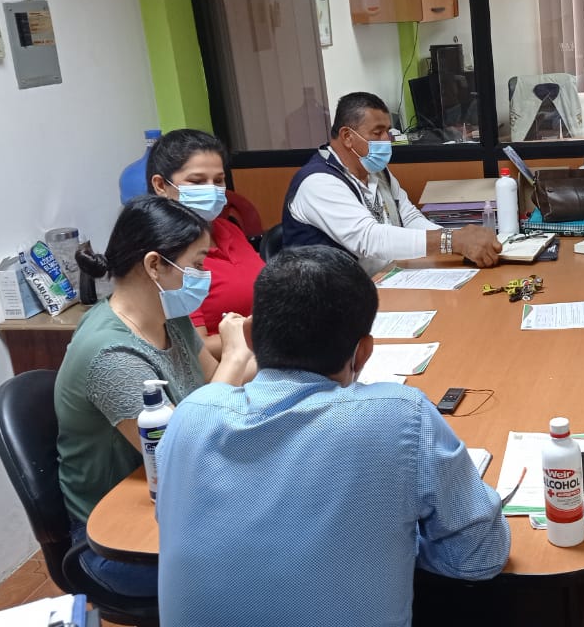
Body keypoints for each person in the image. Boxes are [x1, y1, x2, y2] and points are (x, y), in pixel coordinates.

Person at [156, 245, 510, 626]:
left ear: (249, 337)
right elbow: (482, 554)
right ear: (363, 353)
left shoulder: (188, 417)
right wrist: (393, 539)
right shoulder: (401, 417)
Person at [54, 195, 255, 596]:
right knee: (267, 561)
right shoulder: (111, 355)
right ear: (154, 265)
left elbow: (217, 382)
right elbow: (183, 453)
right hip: (118, 539)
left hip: (180, 498)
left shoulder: (168, 316)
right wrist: (234, 355)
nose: (204, 276)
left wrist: (279, 348)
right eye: (197, 264)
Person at [282, 91, 501, 274]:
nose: (386, 140)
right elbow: (370, 239)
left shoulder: (376, 171)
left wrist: (460, 243)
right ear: (347, 136)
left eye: (387, 131)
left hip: (386, 282)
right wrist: (451, 240)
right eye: (377, 132)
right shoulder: (318, 183)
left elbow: (409, 217)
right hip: (327, 300)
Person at [146, 128, 265, 358]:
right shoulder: (168, 256)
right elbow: (196, 347)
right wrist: (271, 333)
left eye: (218, 181)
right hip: (226, 366)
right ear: (161, 185)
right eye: (197, 181)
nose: (211, 189)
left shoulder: (229, 230)